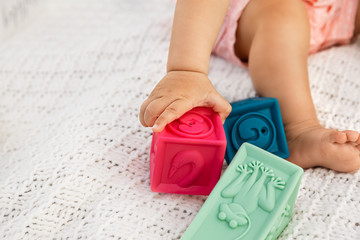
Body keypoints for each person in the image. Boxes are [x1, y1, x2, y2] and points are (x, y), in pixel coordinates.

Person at [139, 0, 360, 172]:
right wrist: (186, 70)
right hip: (253, 13)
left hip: (339, 11)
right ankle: (296, 129)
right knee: (282, 15)